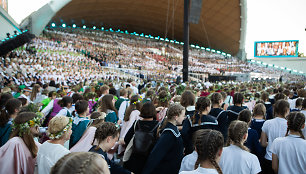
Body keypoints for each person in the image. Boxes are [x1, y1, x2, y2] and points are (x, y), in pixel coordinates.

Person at [142, 103, 185, 174]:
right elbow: (156, 155)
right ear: (176, 117)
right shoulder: (169, 134)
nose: (184, 118)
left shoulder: (172, 130)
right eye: (183, 116)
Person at [123, 102, 159, 174]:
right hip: (149, 160)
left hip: (135, 159)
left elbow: (126, 139)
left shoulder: (137, 123)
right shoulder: (157, 125)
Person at [260, 99, 289, 174]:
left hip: (269, 157)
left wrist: (270, 143)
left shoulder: (267, 123)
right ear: (287, 110)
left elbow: (263, 143)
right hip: (284, 159)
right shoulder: (289, 124)